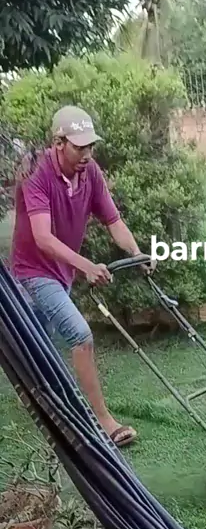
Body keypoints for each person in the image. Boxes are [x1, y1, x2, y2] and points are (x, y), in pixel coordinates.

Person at [10, 105, 150, 448]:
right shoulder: (37, 174)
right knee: (80, 334)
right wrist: (86, 265)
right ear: (59, 143)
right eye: (79, 147)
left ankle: (38, 398)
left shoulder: (90, 174)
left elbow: (113, 221)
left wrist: (136, 253)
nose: (87, 154)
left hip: (62, 272)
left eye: (90, 146)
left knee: (36, 343)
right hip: (33, 272)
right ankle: (103, 421)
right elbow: (43, 239)